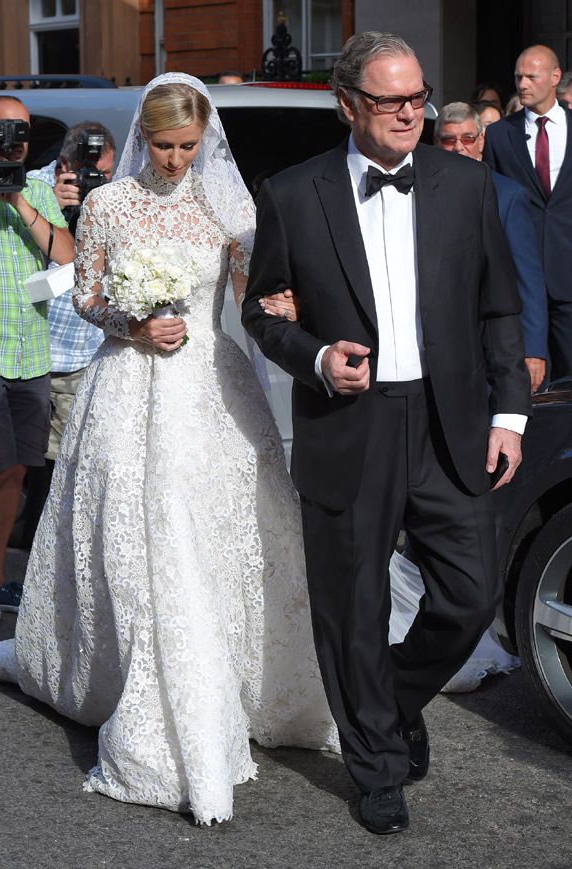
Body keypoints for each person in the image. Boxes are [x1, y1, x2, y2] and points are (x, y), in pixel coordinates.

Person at [0, 73, 338, 826]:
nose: (175, 160)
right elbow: (85, 290)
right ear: (146, 136)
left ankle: (243, 682)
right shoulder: (108, 203)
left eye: (188, 146)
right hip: (130, 388)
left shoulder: (227, 206)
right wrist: (129, 324)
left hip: (210, 385)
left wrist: (284, 302)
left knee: (228, 533)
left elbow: (250, 293)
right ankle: (136, 688)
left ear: (205, 140)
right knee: (138, 542)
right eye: (165, 146)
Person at [242, 31, 530, 835]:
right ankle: (374, 764)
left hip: (451, 423)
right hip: (348, 425)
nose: (410, 113)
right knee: (352, 607)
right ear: (347, 106)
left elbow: (497, 307)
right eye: (390, 100)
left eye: (417, 97)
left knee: (470, 595)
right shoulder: (294, 193)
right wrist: (319, 355)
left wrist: (509, 414)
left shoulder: (465, 184)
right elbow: (260, 309)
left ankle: (393, 698)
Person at [0, 95, 74, 623]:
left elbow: (64, 254)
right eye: (4, 132)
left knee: (15, 470)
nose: (15, 142)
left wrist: (17, 202)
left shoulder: (35, 188)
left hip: (31, 352)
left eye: (23, 133)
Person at [21, 123, 115, 542]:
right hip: (31, 344)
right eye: (90, 174)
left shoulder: (117, 194)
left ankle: (41, 540)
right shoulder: (32, 189)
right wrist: (52, 209)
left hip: (81, 346)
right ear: (63, 165)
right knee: (17, 458)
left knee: (62, 459)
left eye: (106, 174)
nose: (99, 182)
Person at [434, 102, 547, 391]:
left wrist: (534, 350)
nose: (459, 147)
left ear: (481, 141)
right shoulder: (416, 191)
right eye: (449, 140)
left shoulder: (509, 197)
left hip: (489, 345)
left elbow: (528, 278)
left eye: (468, 138)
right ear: (436, 143)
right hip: (436, 342)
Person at [484, 45, 572, 380]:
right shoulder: (499, 134)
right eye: (518, 76)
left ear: (554, 77)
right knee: (530, 385)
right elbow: (493, 204)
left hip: (569, 275)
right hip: (521, 279)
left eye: (531, 76)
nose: (522, 83)